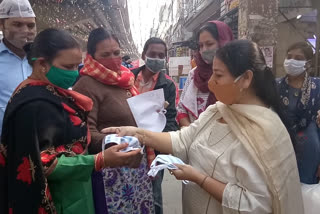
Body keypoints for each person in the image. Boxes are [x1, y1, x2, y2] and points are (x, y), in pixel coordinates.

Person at [103, 40, 304, 214]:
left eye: (218, 75)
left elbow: (256, 205)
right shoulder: (218, 111)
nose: (210, 82)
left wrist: (198, 178)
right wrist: (137, 133)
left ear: (245, 79)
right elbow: (182, 139)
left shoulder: (265, 132)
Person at [0, 28, 141, 214]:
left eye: (77, 66)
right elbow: (42, 163)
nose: (75, 73)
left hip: (76, 189)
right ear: (42, 64)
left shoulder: (53, 92)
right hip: (58, 199)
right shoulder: (32, 105)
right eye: (68, 67)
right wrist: (100, 160)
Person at [73, 28, 155, 214]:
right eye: (105, 54)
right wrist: (121, 141)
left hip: (135, 166)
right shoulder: (86, 85)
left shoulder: (124, 79)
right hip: (111, 170)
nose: (113, 58)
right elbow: (87, 133)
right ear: (92, 56)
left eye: (116, 53)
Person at [132, 37, 179, 214]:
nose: (157, 58)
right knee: (131, 193)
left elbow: (171, 118)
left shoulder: (168, 85)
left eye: (161, 55)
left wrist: (164, 143)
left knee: (155, 198)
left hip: (154, 150)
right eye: (153, 54)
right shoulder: (127, 78)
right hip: (130, 145)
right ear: (144, 54)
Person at [277, 42, 320, 184]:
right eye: (289, 57)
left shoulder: (317, 87)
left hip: (309, 151)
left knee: (306, 196)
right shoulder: (275, 86)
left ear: (308, 63)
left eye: (298, 58)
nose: (292, 61)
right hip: (280, 147)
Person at [177, 21, 234, 127]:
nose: (204, 50)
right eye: (201, 46)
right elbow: (181, 108)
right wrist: (191, 134)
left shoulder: (235, 75)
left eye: (209, 44)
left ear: (224, 42)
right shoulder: (194, 74)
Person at [0, 0, 36, 134]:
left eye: (31, 25)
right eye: (17, 24)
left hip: (41, 145)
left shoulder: (45, 59)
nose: (26, 31)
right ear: (2, 25)